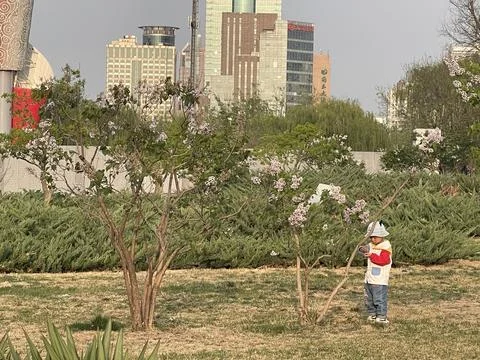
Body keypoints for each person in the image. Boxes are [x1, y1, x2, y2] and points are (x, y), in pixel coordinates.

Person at [362, 220, 392, 325]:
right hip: (369, 278)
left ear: (382, 236)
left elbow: (383, 261)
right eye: (371, 237)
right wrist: (362, 249)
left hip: (379, 279)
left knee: (379, 298)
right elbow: (366, 249)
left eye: (375, 236)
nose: (373, 239)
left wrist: (371, 255)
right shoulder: (371, 245)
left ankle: (381, 316)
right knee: (368, 298)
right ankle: (372, 314)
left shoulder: (385, 246)